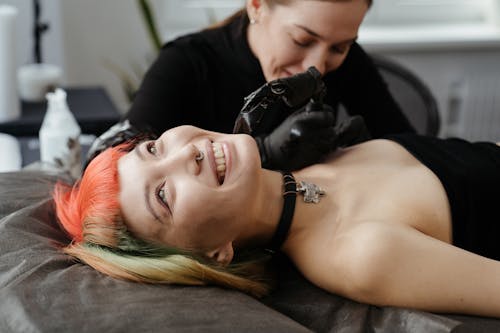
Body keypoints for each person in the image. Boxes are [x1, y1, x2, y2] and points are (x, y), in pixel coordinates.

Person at [54, 124, 500, 318]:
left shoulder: (318, 153)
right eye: (164, 196)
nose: (184, 153)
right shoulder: (360, 252)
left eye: (153, 149)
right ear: (214, 254)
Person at [108, 0, 415, 169]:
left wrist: (363, 155)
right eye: (301, 40)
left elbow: (412, 147)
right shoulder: (187, 62)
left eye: (339, 48)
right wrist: (260, 154)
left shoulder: (351, 63)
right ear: (256, 6)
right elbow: (108, 162)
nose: (318, 67)